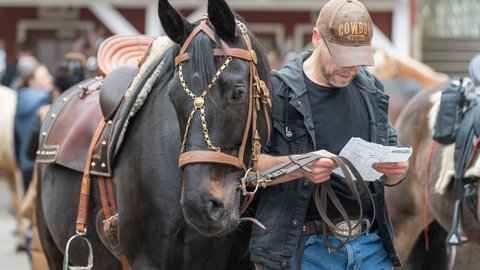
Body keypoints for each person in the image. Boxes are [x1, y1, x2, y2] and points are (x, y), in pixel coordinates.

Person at [249, 0, 409, 269]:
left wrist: (397, 172)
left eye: (358, 60)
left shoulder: (371, 90)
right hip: (305, 249)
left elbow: (392, 152)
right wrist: (299, 166)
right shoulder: (277, 91)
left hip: (370, 246)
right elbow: (249, 170)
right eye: (342, 58)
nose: (350, 68)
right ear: (316, 38)